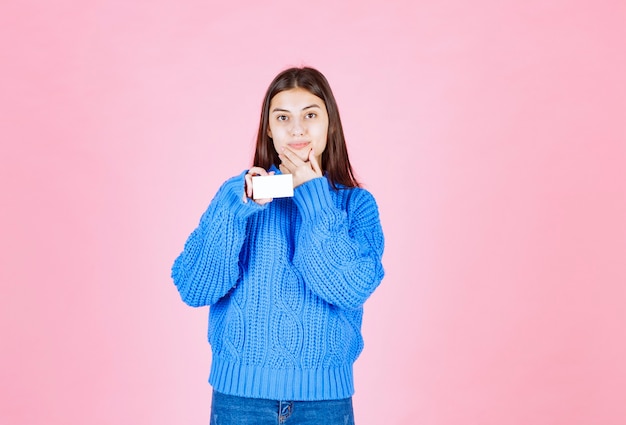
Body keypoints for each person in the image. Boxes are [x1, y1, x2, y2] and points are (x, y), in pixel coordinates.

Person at [171, 66, 385, 425]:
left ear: (329, 123)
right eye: (283, 117)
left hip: (324, 404)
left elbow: (348, 288)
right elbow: (193, 287)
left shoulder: (356, 205)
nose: (297, 129)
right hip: (240, 400)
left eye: (311, 115)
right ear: (268, 128)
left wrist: (315, 196)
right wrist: (233, 206)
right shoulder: (238, 198)